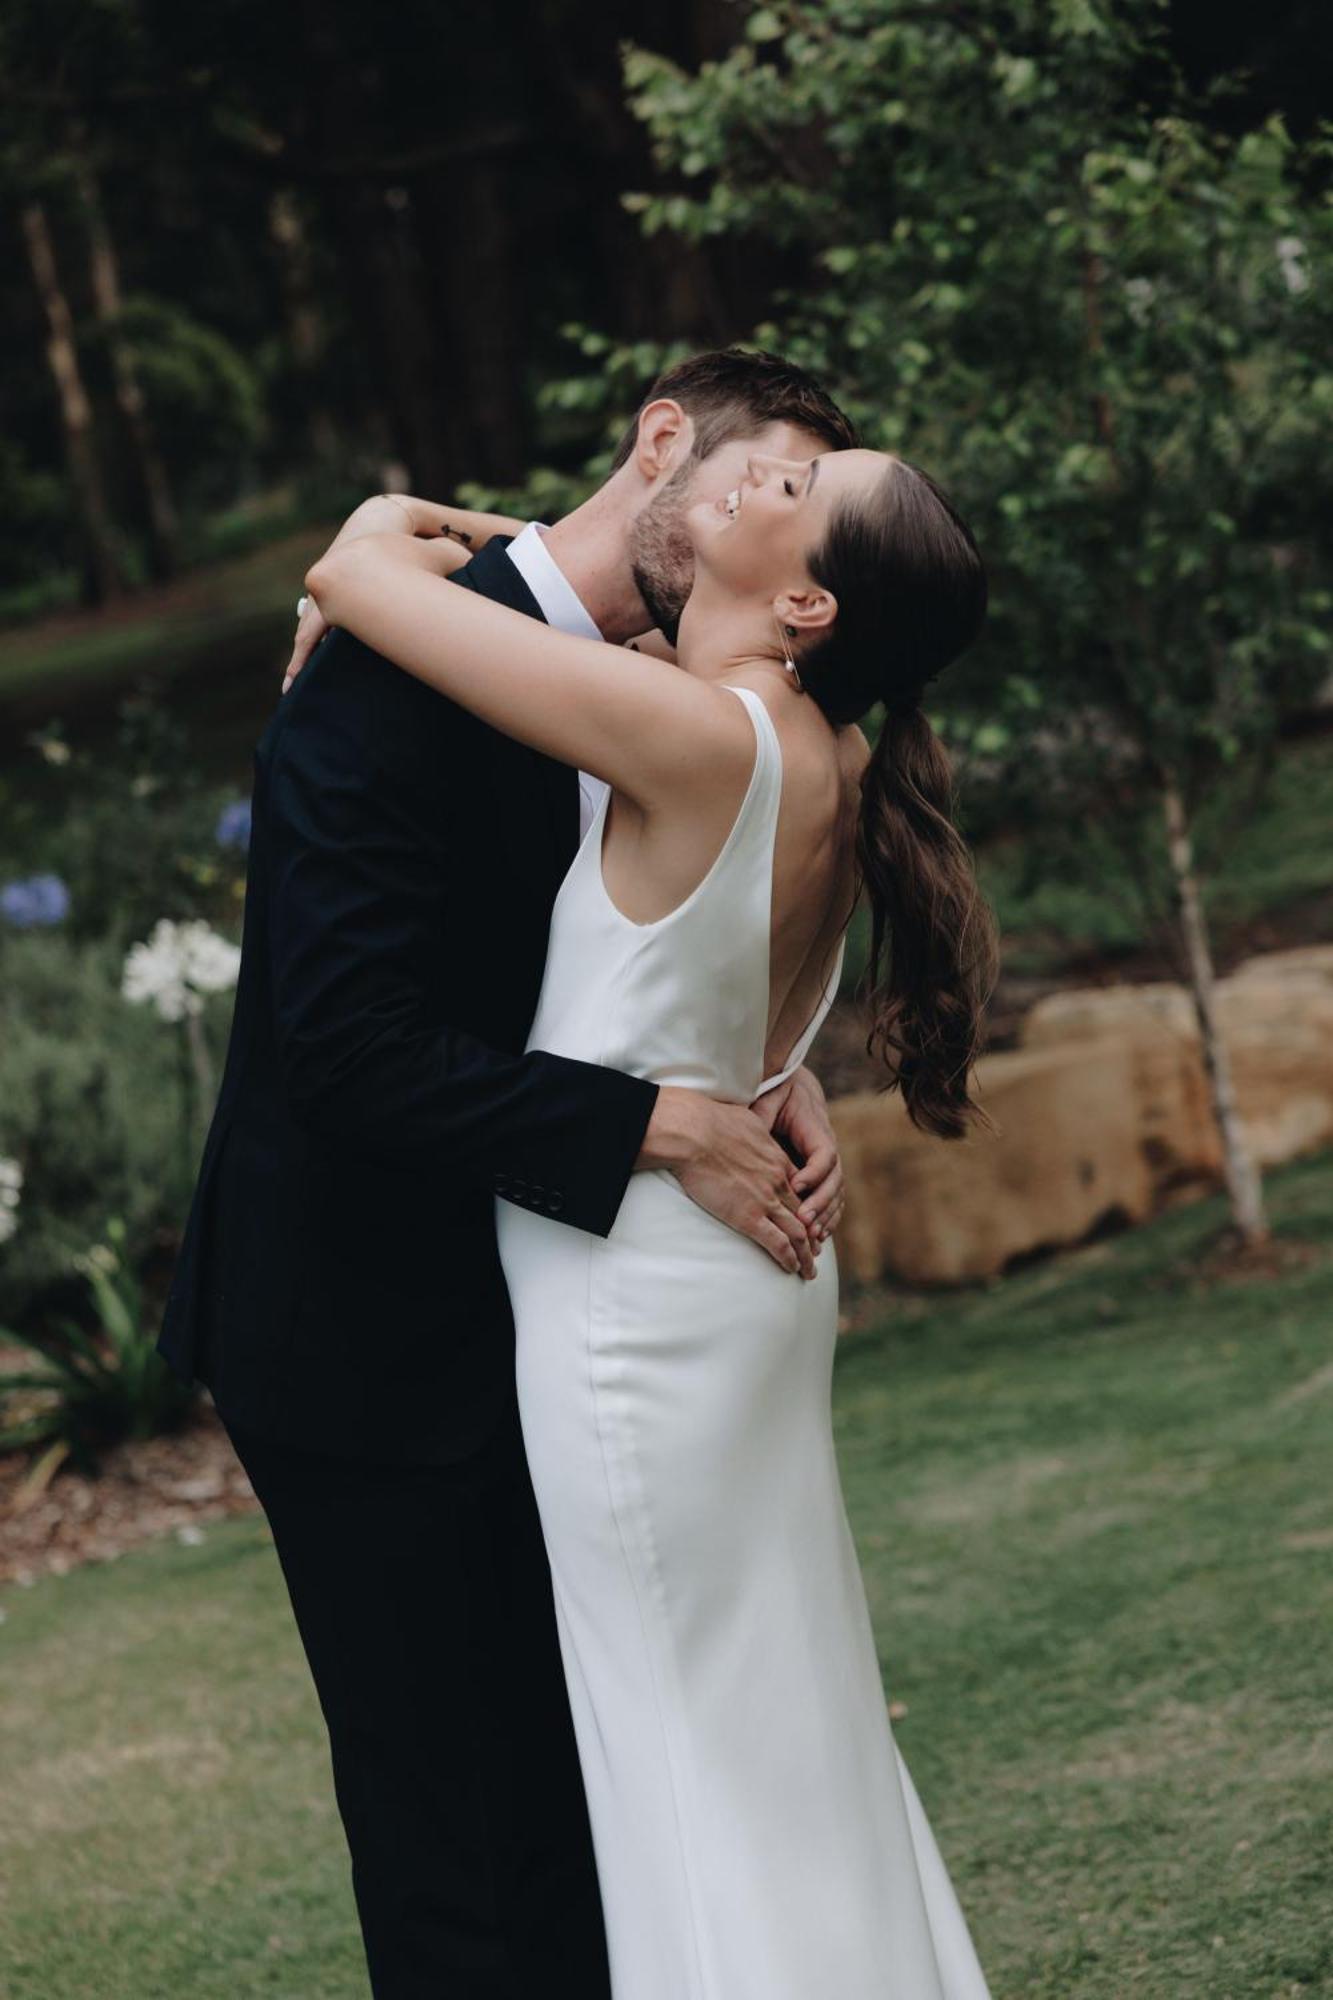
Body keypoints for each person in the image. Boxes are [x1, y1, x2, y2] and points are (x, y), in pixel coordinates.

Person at [157, 349, 860, 1998]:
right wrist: (650, 1126)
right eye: (777, 487)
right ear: (665, 442)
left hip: (554, 1317)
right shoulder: (380, 666)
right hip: (360, 1327)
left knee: (584, 1798)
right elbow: (342, 1049)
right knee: (455, 1833)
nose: (794, 545)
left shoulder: (644, 684)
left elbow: (599, 952)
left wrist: (759, 1062)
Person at [297, 412, 1001, 1996]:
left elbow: (363, 577)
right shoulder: (817, 749)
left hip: (634, 1310)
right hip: (726, 1280)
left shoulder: (693, 737)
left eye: (800, 489)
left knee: (681, 1760)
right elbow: (549, 592)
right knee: (782, 1731)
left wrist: (390, 518)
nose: (760, 472)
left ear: (809, 603)